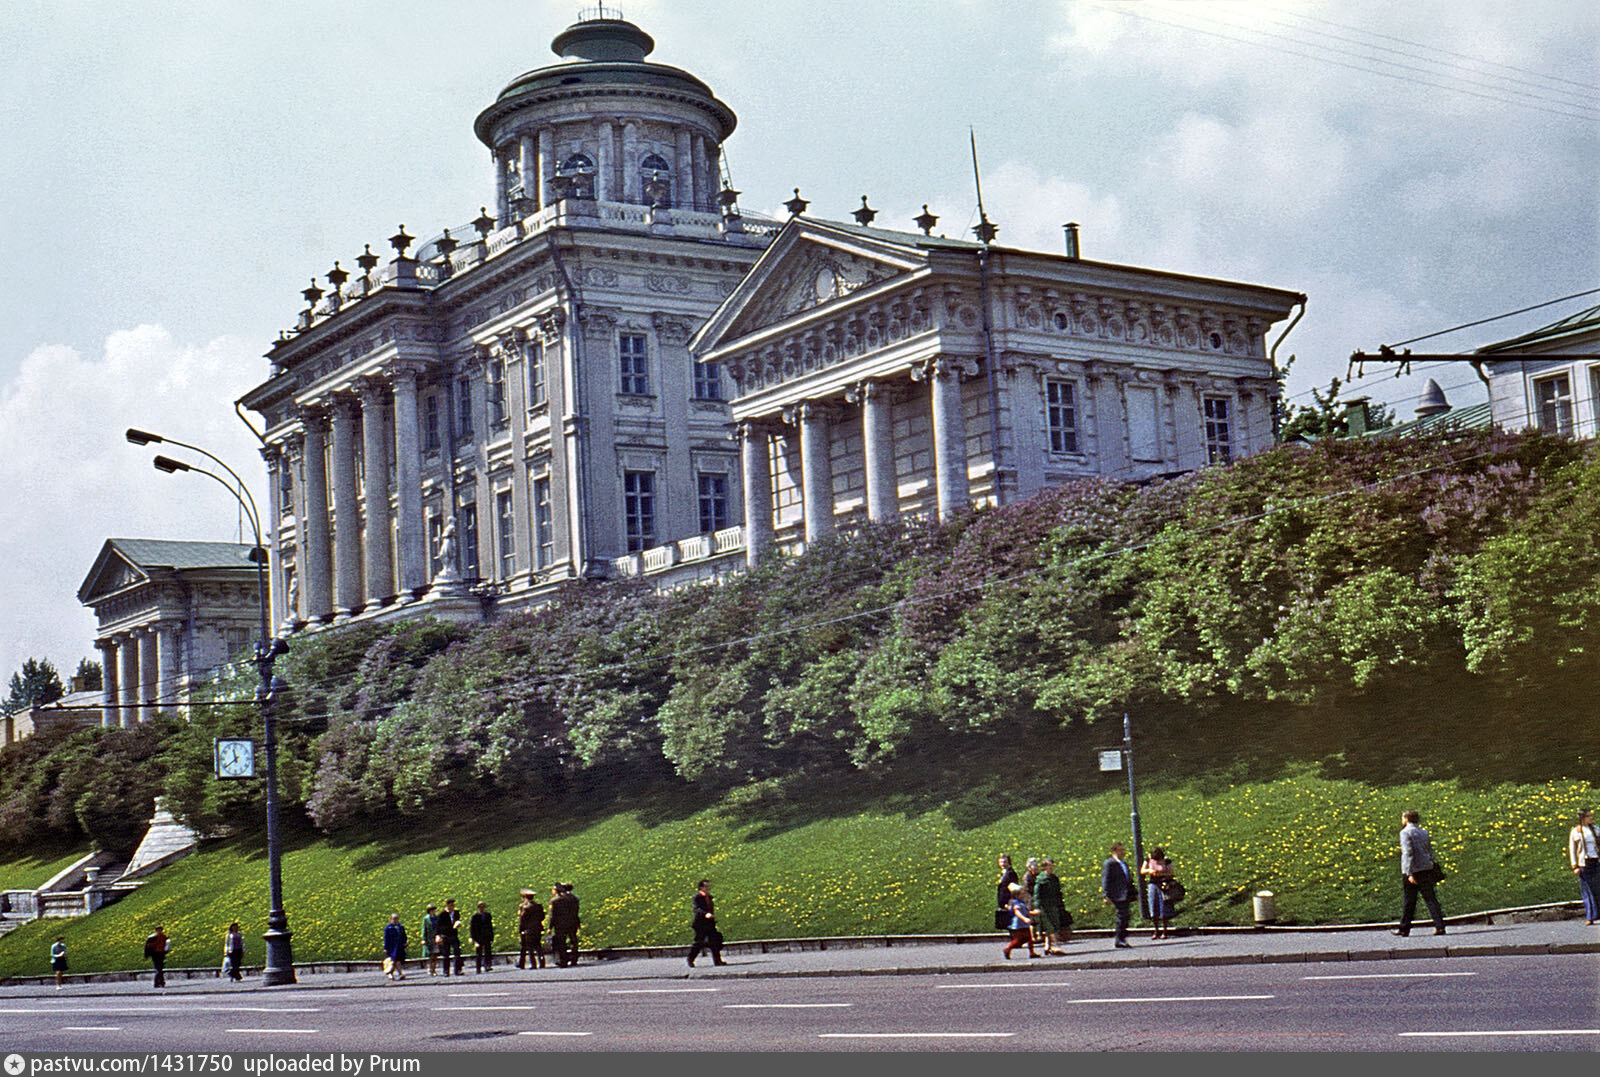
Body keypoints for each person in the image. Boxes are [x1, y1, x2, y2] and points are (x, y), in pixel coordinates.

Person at [1394, 809, 1447, 937]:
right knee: (1430, 898)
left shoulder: (1405, 833)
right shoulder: (1424, 832)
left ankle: (1404, 928)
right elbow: (1429, 850)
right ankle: (1440, 926)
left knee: (1409, 901)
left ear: (1406, 819)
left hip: (1414, 870)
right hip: (1426, 869)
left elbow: (1408, 853)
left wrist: (1409, 873)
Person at [1101, 842, 1136, 949]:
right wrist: (1105, 895)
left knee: (1125, 916)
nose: (1123, 852)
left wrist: (1135, 893)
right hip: (1117, 894)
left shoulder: (1124, 863)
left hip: (1125, 894)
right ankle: (1119, 939)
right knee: (1121, 916)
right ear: (1114, 851)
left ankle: (1122, 938)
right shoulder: (1109, 863)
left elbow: (1128, 879)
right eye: (1121, 850)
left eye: (1123, 850)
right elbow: (1105, 879)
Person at [686, 878, 727, 968]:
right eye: (706, 886)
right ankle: (690, 959)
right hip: (700, 924)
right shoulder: (697, 897)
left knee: (715, 941)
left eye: (708, 886)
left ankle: (717, 961)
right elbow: (697, 909)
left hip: (710, 923)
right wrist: (705, 914)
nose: (708, 888)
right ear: (701, 887)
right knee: (699, 943)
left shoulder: (709, 897)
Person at [1033, 858, 1070, 954]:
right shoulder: (1041, 879)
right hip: (1044, 907)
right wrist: (1037, 907)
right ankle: (1056, 946)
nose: (1052, 868)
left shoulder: (1054, 878)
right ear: (1045, 867)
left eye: (1053, 866)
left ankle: (1047, 947)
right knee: (1050, 927)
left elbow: (1058, 892)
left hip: (1054, 906)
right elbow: (1037, 894)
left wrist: (1061, 904)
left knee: (1053, 926)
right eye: (1050, 866)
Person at [1568, 808, 1598, 925]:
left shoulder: (1595, 829)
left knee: (1597, 888)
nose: (1590, 818)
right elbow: (1573, 849)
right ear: (1582, 818)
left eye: (1591, 816)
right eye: (1588, 816)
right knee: (1587, 890)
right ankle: (1590, 916)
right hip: (1584, 863)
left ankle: (1598, 914)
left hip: (1596, 860)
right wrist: (1574, 865)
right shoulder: (1576, 831)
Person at [1142, 847, 1176, 939]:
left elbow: (1172, 873)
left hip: (1164, 884)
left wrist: (1163, 874)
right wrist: (1150, 871)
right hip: (1153, 884)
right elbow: (1142, 870)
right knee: (1153, 906)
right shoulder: (1148, 859)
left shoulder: (1167, 861)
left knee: (1163, 906)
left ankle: (1165, 930)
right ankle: (1156, 930)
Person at [1001, 882, 1038, 959]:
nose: (1024, 894)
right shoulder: (1016, 903)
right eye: (1022, 893)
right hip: (1019, 924)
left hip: (1024, 924)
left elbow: (1025, 911)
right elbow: (1017, 912)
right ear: (1017, 895)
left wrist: (1032, 913)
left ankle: (1032, 952)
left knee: (1029, 938)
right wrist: (1024, 919)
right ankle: (1007, 949)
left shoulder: (1021, 902)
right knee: (1018, 940)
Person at [548, 883, 581, 968]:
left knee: (561, 943)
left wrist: (550, 927)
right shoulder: (573, 898)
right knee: (573, 941)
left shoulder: (555, 900)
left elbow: (552, 915)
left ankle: (563, 961)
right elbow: (575, 912)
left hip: (560, 925)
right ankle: (574, 959)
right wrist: (578, 922)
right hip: (572, 922)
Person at [517, 889, 546, 969]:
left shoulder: (525, 908)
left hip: (528, 929)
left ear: (525, 897)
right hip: (537, 928)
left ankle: (533, 964)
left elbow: (522, 920)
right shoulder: (538, 906)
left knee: (530, 947)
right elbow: (542, 916)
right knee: (538, 946)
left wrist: (520, 930)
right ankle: (542, 962)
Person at [436, 898, 464, 976]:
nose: (452, 907)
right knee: (446, 954)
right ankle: (446, 971)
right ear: (448, 905)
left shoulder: (456, 913)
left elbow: (458, 920)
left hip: (454, 935)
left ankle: (458, 970)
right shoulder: (442, 914)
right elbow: (438, 926)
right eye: (451, 905)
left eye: (453, 905)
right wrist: (439, 935)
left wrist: (458, 923)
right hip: (446, 936)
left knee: (457, 952)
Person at [994, 854, 1018, 931]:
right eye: (1001, 862)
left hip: (1008, 901)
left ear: (1009, 863)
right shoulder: (1004, 873)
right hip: (1003, 902)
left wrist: (1009, 901)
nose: (1002, 864)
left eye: (1004, 862)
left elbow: (1013, 888)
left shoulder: (1011, 873)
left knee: (1011, 922)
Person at [470, 901, 495, 973]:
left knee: (488, 952)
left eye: (483, 907)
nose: (482, 908)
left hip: (487, 936)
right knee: (479, 953)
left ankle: (487, 965)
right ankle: (478, 968)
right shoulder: (475, 916)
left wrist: (491, 937)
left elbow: (490, 926)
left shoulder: (488, 915)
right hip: (478, 937)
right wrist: (473, 938)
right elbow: (472, 928)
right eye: (481, 907)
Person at [383, 912, 408, 980]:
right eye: (394, 919)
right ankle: (395, 974)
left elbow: (404, 936)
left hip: (399, 946)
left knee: (397, 961)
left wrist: (405, 942)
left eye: (397, 918)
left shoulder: (400, 927)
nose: (395, 920)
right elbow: (386, 938)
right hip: (391, 947)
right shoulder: (388, 928)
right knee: (393, 961)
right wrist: (386, 947)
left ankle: (397, 974)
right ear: (391, 919)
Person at [420, 904, 441, 976]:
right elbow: (424, 929)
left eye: (434, 910)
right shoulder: (426, 919)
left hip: (436, 939)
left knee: (435, 955)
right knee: (430, 955)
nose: (433, 911)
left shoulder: (437, 918)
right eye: (432, 910)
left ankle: (434, 970)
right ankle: (429, 969)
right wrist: (423, 939)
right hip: (429, 939)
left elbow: (439, 928)